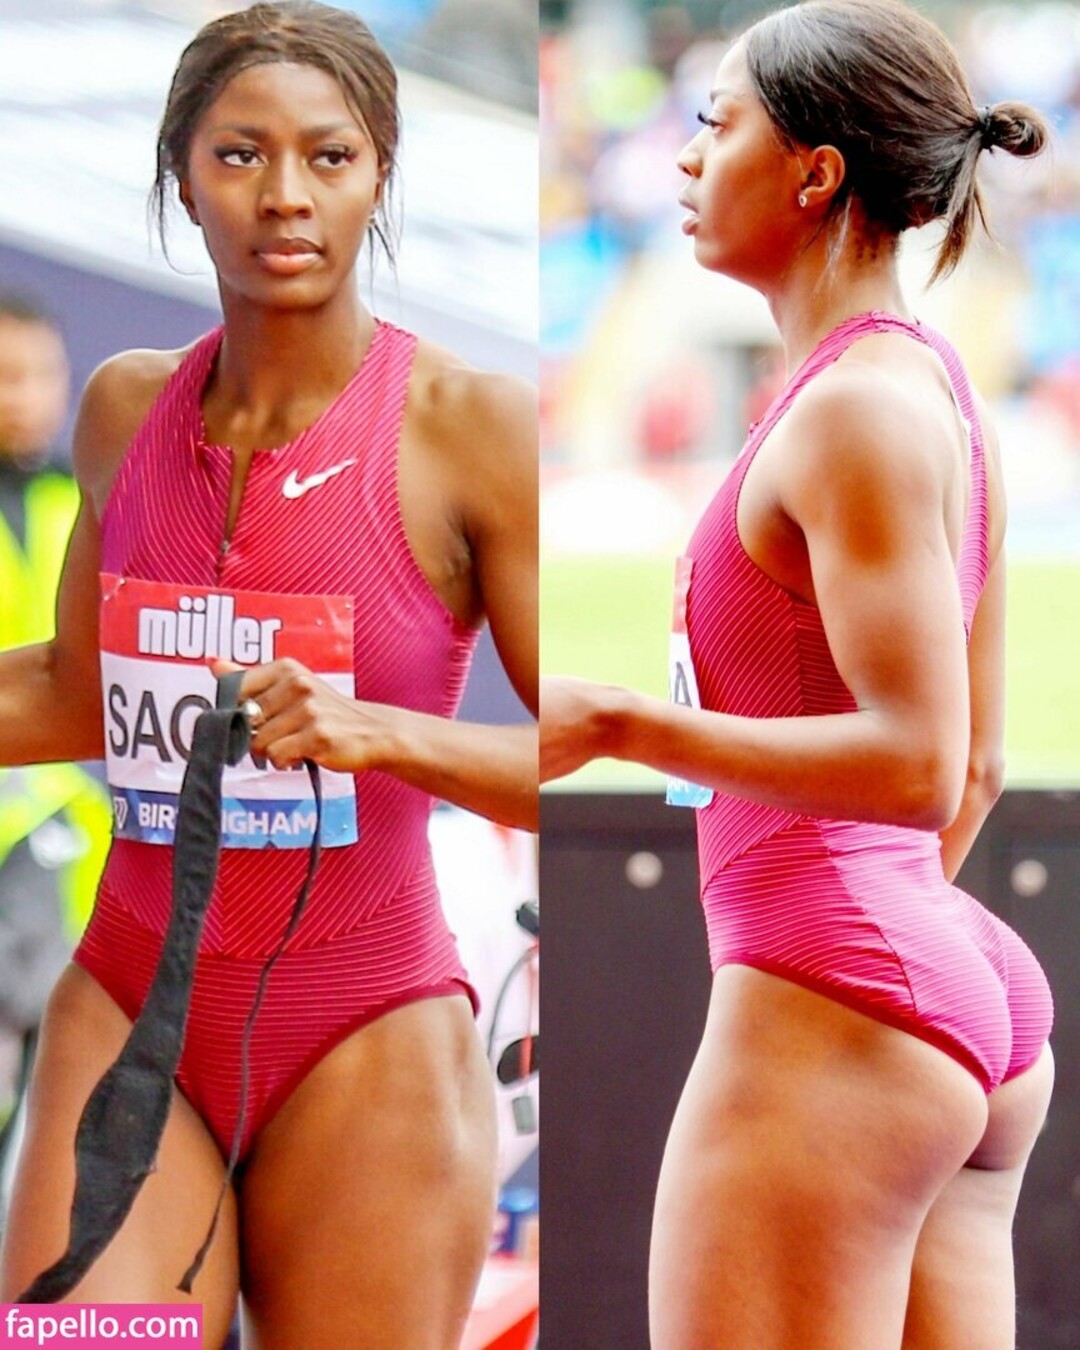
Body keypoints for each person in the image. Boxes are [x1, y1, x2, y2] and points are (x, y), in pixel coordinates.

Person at [0, 4, 537, 1346]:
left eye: (329, 155)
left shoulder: (471, 428)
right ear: (182, 176)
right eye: (240, 155)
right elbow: (72, 692)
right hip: (128, 1007)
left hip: (368, 1026)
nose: (285, 194)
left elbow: (580, 764)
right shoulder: (124, 408)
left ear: (380, 173)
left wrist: (380, 732)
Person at [541, 2, 1053, 1346]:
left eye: (716, 125)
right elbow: (979, 763)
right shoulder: (931, 395)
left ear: (816, 172)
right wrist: (897, 960)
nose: (683, 158)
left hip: (844, 989)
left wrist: (625, 722)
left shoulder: (854, 411)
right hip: (926, 983)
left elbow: (920, 761)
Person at [0, 296, 108, 1165]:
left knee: (55, 1091)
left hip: (58, 832)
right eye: (5, 376)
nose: (25, 395)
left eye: (41, 375)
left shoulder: (83, 499)